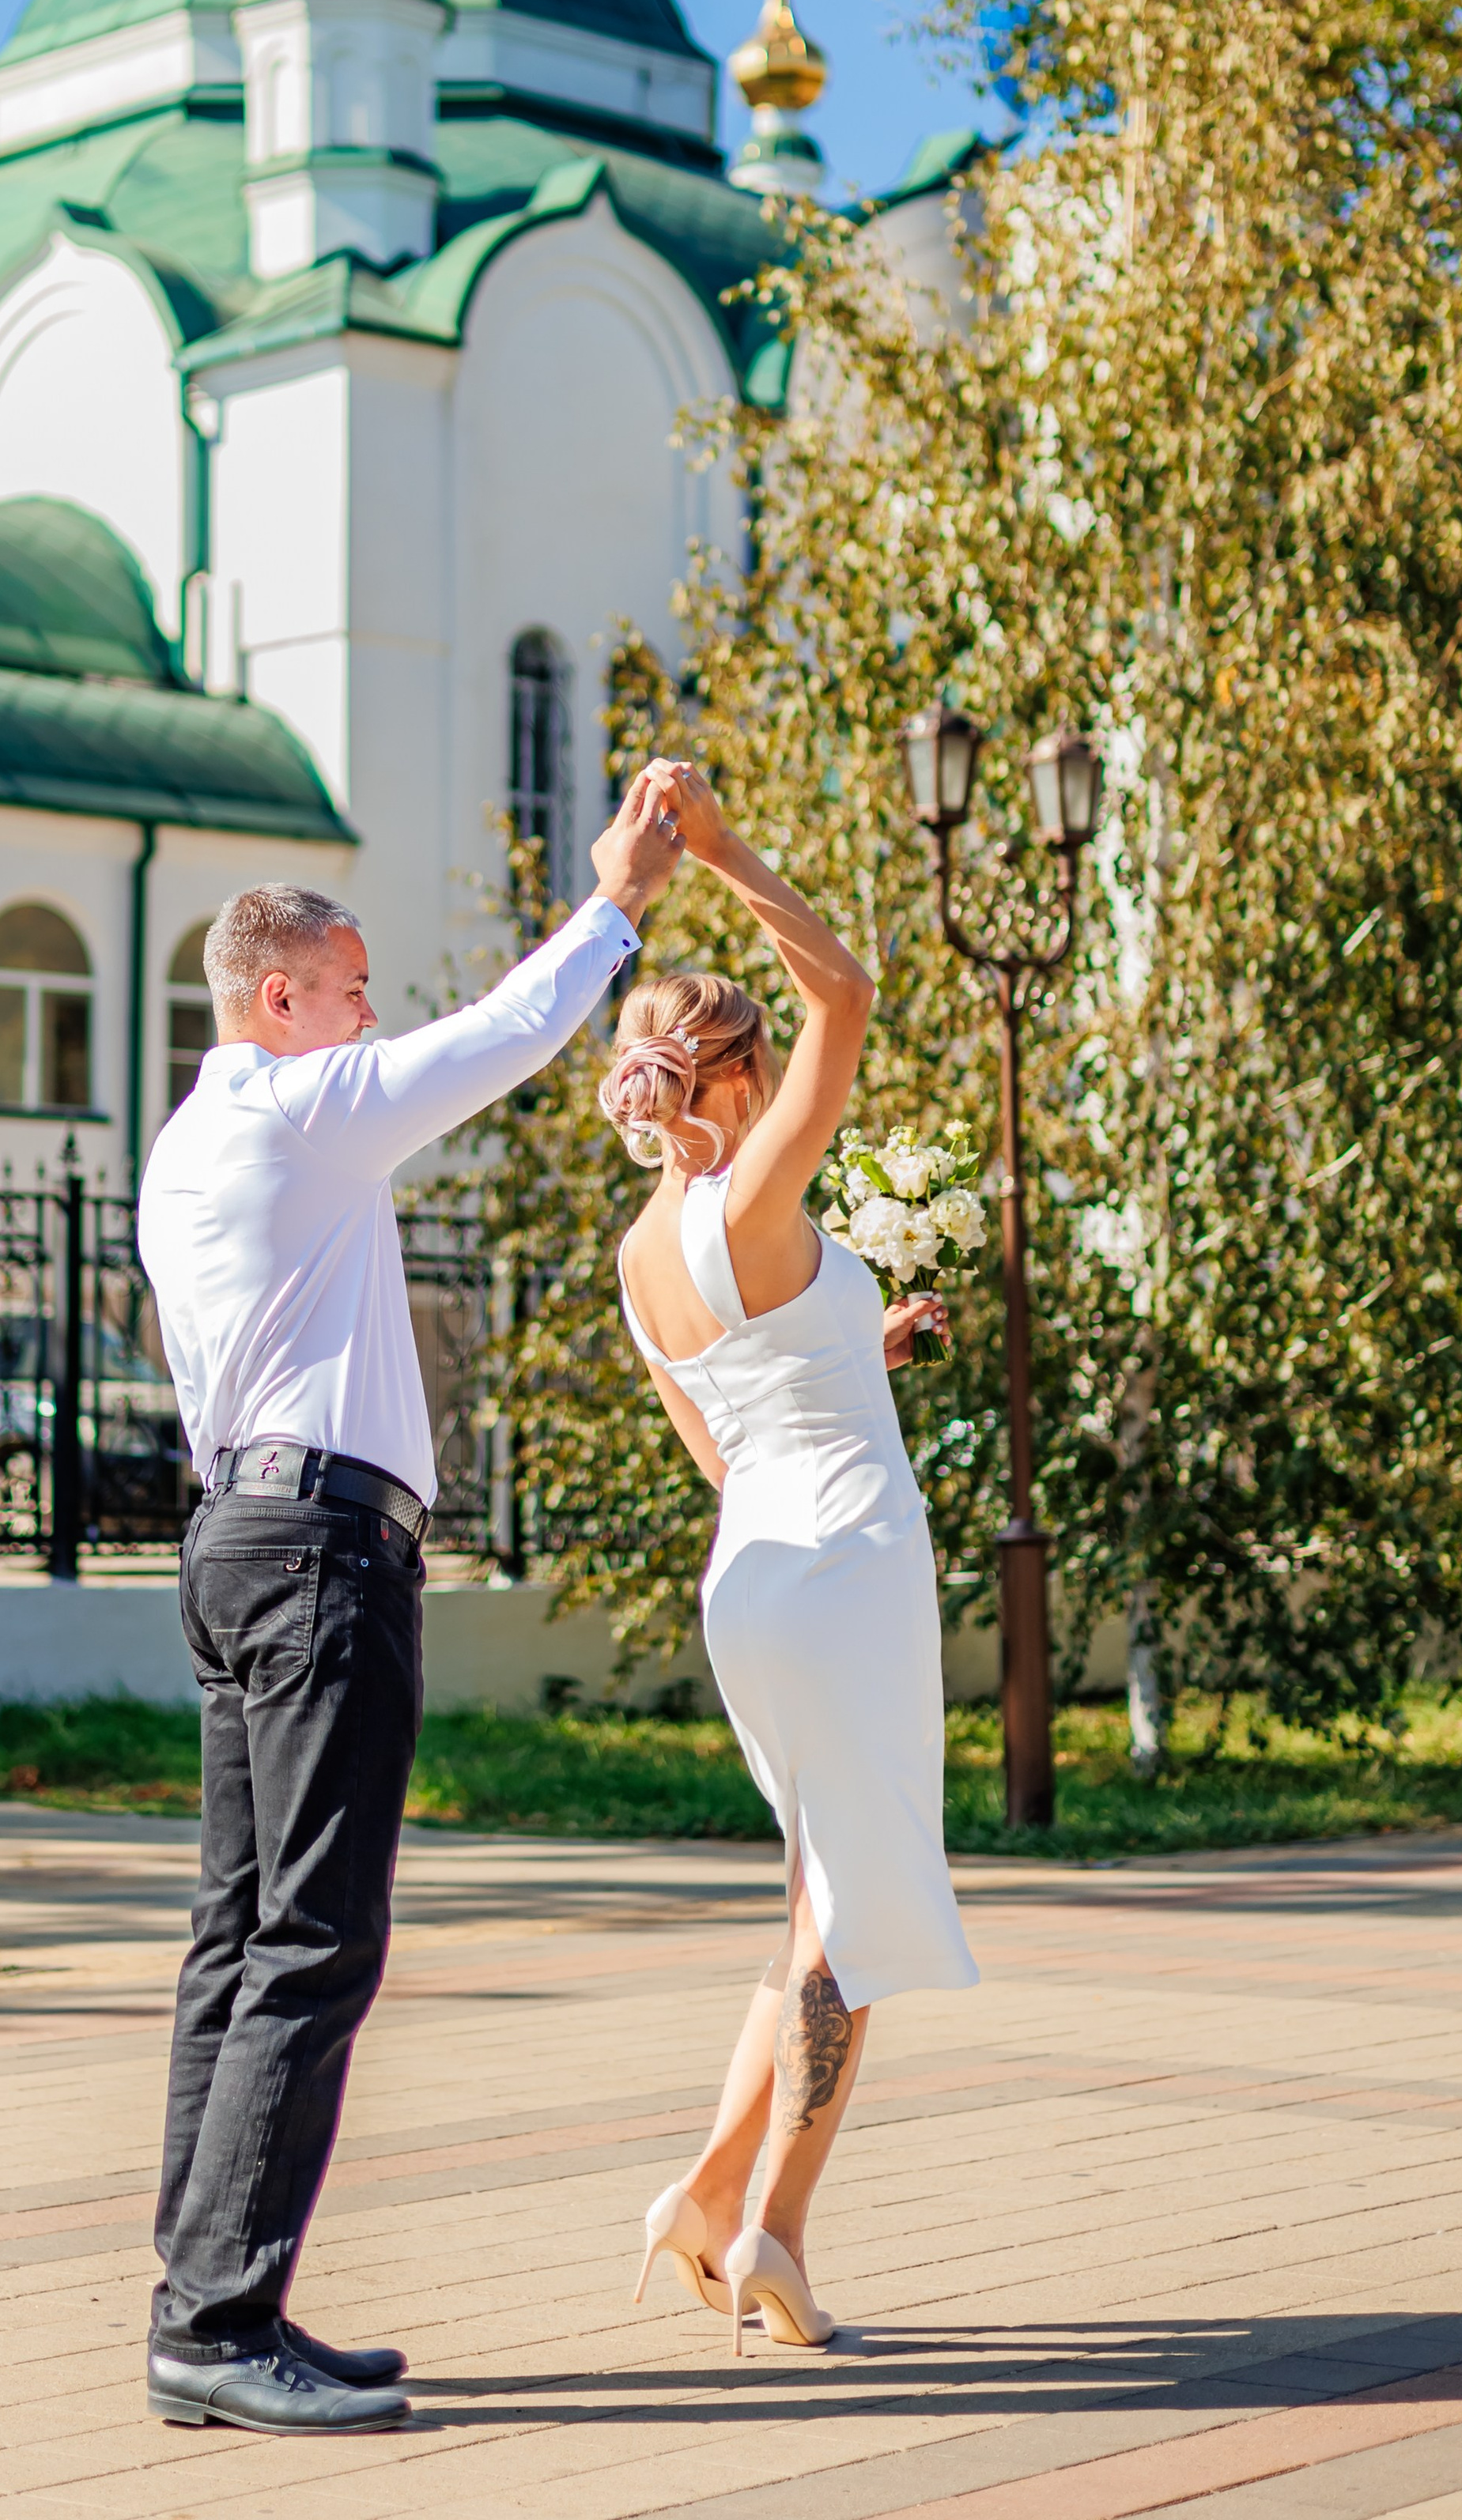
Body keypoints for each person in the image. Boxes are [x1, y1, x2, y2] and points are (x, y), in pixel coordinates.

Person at [138, 772, 683, 2437]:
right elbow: (506, 1033)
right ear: (277, 996)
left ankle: (205, 2301)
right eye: (355, 984)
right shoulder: (301, 1110)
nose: (376, 1010)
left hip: (239, 1538)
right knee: (311, 1937)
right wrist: (618, 901)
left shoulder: (189, 1143)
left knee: (236, 1941)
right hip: (313, 1557)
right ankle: (220, 2325)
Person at [605, 762, 977, 2354]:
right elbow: (850, 984)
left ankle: (704, 2193)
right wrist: (723, 852)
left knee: (809, 1905)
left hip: (749, 1579)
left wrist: (860, 1346)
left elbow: (734, 1440)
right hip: (847, 1567)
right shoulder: (758, 1185)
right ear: (736, 1076)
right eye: (762, 1055)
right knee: (863, 1916)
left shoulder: (638, 1263)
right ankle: (773, 2232)